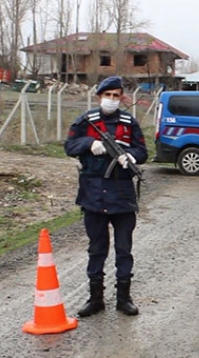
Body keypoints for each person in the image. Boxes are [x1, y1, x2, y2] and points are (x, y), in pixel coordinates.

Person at [64, 75, 148, 318]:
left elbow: (142, 151)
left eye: (116, 96)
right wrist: (89, 144)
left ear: (121, 98)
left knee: (124, 249)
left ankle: (124, 299)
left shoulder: (128, 122)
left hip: (122, 194)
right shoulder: (85, 121)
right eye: (107, 95)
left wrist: (130, 156)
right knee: (96, 248)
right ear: (99, 96)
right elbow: (69, 146)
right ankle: (95, 299)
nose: (111, 100)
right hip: (93, 194)